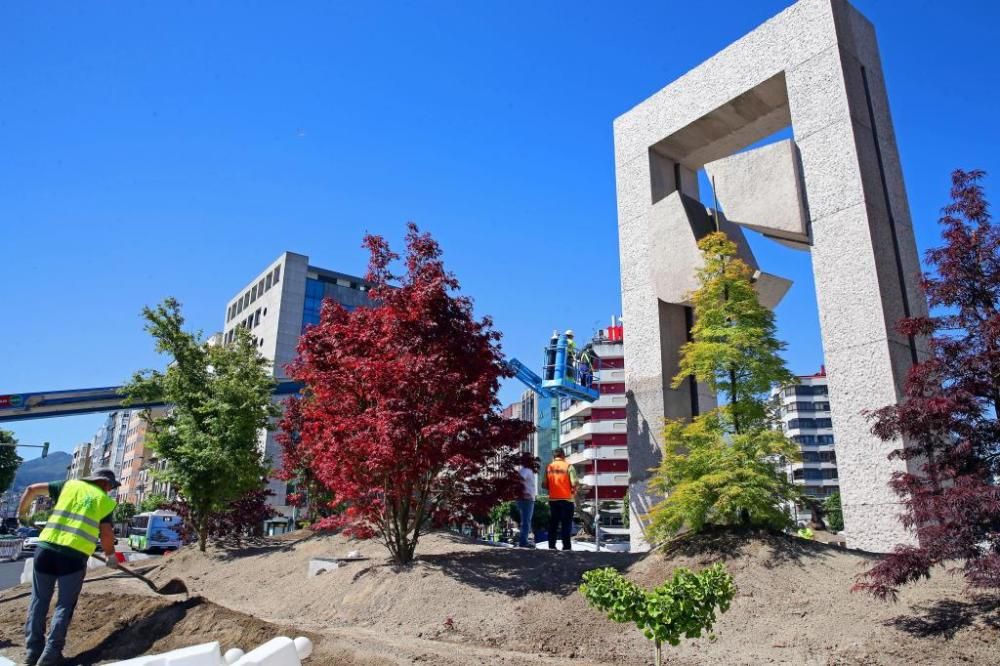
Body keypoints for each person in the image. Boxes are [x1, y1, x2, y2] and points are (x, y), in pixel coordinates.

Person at [17, 469, 122, 666]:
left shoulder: (69, 485)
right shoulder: (104, 501)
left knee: (39, 600)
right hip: (73, 558)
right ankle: (50, 655)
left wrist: (22, 514)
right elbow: (106, 533)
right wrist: (110, 556)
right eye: (110, 487)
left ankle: (32, 652)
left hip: (45, 550)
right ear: (106, 484)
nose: (110, 490)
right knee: (64, 605)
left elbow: (32, 489)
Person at [541, 448, 577, 551]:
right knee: (566, 524)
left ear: (554, 456)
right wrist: (573, 491)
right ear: (563, 455)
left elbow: (543, 484)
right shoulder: (569, 466)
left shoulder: (549, 467)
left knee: (553, 524)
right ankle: (566, 547)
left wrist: (552, 487)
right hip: (567, 500)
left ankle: (552, 546)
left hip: (553, 500)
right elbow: (574, 483)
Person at [516, 455, 538, 548]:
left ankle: (524, 540)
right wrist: (524, 493)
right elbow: (519, 481)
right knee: (526, 521)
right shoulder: (526, 471)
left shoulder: (525, 470)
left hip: (526, 498)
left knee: (525, 521)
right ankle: (523, 542)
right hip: (526, 499)